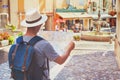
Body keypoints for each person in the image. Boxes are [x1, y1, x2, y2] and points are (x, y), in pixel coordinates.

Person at [20, 9, 75, 80]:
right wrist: (69, 48)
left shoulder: (18, 41)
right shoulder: (43, 44)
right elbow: (60, 60)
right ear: (39, 24)